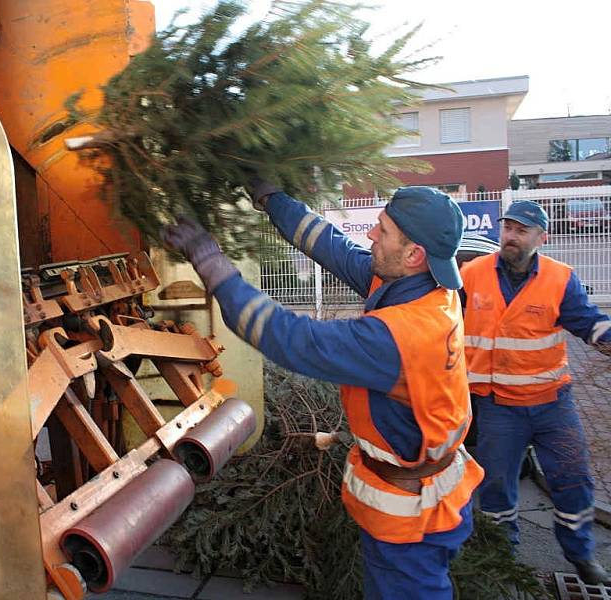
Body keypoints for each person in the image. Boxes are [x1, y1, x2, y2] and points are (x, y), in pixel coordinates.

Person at [164, 185, 483, 599]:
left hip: (413, 518)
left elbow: (291, 339)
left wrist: (210, 263)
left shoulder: (399, 337)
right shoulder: (430, 291)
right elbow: (333, 246)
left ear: (413, 254)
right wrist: (269, 196)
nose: (371, 236)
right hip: (438, 490)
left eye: (382, 231)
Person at [460, 200, 611, 585]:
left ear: (541, 238)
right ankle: (502, 559)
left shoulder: (560, 278)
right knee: (495, 486)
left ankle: (582, 557)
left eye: (520, 230)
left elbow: (588, 322)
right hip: (497, 407)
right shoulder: (472, 274)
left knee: (573, 480)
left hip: (552, 405)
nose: (510, 236)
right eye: (507, 228)